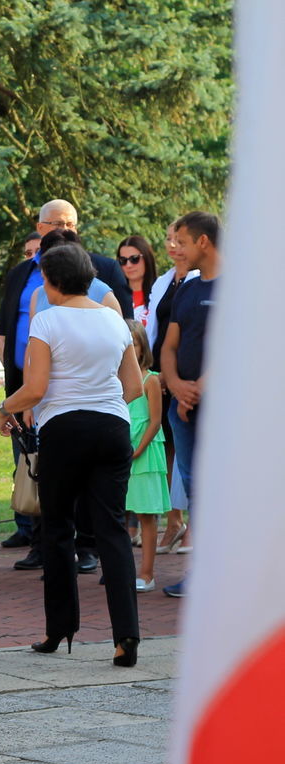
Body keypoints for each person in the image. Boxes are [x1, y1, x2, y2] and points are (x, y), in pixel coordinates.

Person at [0, 243, 143, 667]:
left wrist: (6, 408)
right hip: (112, 427)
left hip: (64, 429)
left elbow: (37, 388)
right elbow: (132, 385)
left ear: (51, 280)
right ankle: (126, 637)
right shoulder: (114, 321)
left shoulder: (47, 319)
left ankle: (59, 629)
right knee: (112, 530)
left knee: (58, 528)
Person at [159, 211, 220, 598]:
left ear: (203, 242)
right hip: (183, 409)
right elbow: (168, 346)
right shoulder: (187, 289)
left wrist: (197, 390)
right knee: (195, 488)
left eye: (181, 241)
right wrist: (178, 387)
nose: (175, 249)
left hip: (223, 411)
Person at [145, 224, 197, 553]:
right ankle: (173, 520)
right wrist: (154, 371)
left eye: (180, 240)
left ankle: (195, 524)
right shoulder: (164, 281)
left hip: (185, 376)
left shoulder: (201, 281)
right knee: (166, 448)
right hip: (160, 375)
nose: (173, 245)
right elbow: (154, 329)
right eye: (169, 239)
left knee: (188, 454)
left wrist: (173, 374)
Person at [122, 321, 169, 592]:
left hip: (143, 454)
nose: (130, 348)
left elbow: (154, 420)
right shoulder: (115, 380)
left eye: (135, 343)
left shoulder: (151, 379)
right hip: (120, 452)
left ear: (142, 347)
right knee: (119, 514)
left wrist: (138, 450)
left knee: (146, 515)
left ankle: (147, 573)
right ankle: (123, 571)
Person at [117, 236, 158, 324]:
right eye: (123, 260)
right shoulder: (113, 295)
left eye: (134, 259)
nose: (128, 265)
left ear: (147, 259)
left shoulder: (160, 292)